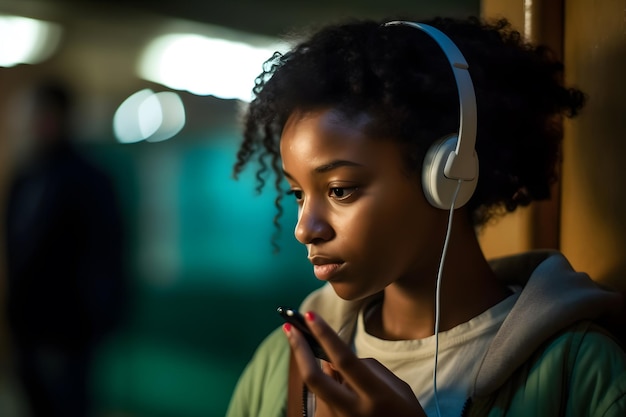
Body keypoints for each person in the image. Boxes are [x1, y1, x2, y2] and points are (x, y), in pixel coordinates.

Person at [226, 16, 626, 417]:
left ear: (447, 175)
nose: (304, 229)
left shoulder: (582, 374)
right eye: (298, 194)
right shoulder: (282, 365)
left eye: (340, 190)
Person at [4, 81, 128, 417]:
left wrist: (99, 314)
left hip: (71, 325)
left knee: (69, 403)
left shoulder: (89, 178)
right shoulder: (27, 175)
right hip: (28, 322)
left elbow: (107, 251)